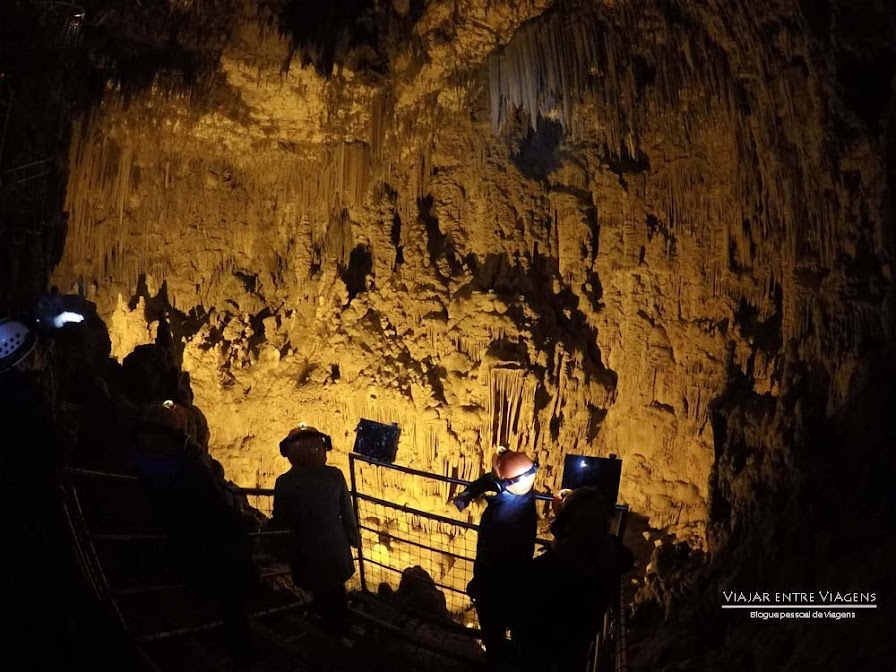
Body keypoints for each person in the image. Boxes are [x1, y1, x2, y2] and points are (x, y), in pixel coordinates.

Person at [133, 399, 256, 663]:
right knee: (231, 600)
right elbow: (215, 507)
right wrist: (240, 521)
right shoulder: (186, 468)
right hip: (203, 551)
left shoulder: (138, 464)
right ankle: (240, 655)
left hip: (174, 549)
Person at [515, 486, 635, 671]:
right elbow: (625, 556)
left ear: (566, 524)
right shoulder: (608, 560)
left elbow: (522, 617)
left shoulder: (545, 569)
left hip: (541, 651)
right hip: (578, 646)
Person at [273, 424, 360, 640]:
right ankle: (340, 630)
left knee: (320, 592)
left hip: (305, 550)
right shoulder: (335, 476)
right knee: (336, 590)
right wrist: (353, 537)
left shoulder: (284, 483)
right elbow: (347, 511)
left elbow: (280, 519)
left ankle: (328, 631)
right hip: (334, 547)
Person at [453, 446, 538, 661]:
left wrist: (478, 584)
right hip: (517, 583)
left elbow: (491, 558)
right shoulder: (524, 492)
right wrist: (470, 491)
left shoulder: (503, 519)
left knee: (494, 640)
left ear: (505, 483)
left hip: (495, 590)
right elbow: (492, 479)